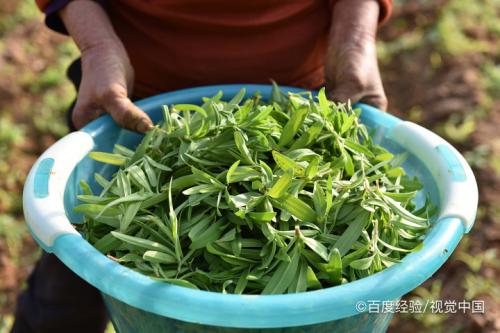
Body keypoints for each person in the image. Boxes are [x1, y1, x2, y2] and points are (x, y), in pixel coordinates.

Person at [12, 0, 392, 332]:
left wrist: (356, 39)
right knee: (66, 293)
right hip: (133, 113)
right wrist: (96, 45)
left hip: (304, 107)